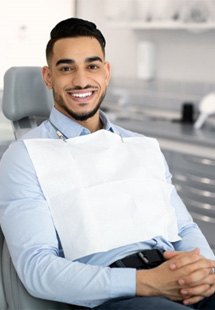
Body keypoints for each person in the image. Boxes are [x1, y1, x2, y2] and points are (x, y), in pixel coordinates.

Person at [0, 17, 215, 310]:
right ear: (48, 77)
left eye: (92, 66)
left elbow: (184, 228)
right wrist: (146, 283)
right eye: (66, 68)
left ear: (106, 72)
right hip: (117, 296)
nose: (81, 80)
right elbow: (37, 268)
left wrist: (206, 272)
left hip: (175, 277)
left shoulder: (140, 145)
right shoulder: (25, 155)